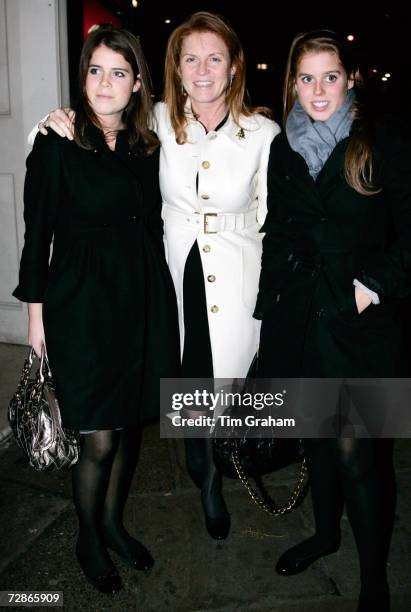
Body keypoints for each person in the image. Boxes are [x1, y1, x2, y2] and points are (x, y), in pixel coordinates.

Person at [34, 12, 280, 541]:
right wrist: (53, 119)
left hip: (235, 276)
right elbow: (95, 132)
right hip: (168, 276)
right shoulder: (158, 122)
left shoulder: (262, 132)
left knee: (225, 388)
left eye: (215, 58)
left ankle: (213, 477)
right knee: (184, 382)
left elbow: (274, 218)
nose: (202, 69)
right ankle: (203, 474)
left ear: (235, 67)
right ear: (174, 68)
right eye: (190, 58)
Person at [14, 25, 180, 594]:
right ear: (81, 76)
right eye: (94, 70)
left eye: (118, 72)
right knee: (100, 435)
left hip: (140, 299)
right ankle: (88, 534)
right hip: (81, 304)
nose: (104, 83)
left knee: (130, 423)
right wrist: (36, 324)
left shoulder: (144, 144)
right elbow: (37, 240)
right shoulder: (57, 141)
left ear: (137, 85)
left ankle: (112, 522)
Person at [254, 30, 411, 612]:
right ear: (292, 83)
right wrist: (269, 317)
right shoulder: (283, 147)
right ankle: (324, 534)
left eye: (330, 76)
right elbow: (279, 231)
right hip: (300, 318)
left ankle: (374, 579)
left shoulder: (381, 138)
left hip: (365, 324)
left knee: (359, 453)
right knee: (316, 439)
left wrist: (370, 290)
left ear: (351, 79)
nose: (318, 90)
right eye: (305, 77)